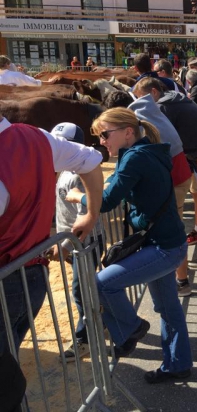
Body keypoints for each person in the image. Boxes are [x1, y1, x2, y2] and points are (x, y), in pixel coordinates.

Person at [66, 107, 192, 383]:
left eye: (105, 134)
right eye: (99, 136)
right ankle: (178, 364)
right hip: (167, 243)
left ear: (127, 133)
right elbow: (115, 186)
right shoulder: (143, 152)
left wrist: (78, 196)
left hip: (162, 248)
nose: (102, 141)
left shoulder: (135, 157)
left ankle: (131, 329)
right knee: (169, 309)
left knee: (101, 283)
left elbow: (107, 200)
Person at [0, 110, 103, 406]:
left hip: (8, 282)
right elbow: (93, 160)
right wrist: (91, 213)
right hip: (31, 274)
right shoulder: (35, 137)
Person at [130, 81, 194, 296]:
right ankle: (177, 276)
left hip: (175, 179)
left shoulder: (143, 119)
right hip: (181, 175)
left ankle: (181, 280)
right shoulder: (155, 112)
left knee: (173, 231)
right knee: (175, 227)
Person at [51, 123, 105, 362]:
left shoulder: (79, 173)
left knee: (81, 291)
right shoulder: (63, 168)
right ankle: (101, 325)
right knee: (86, 288)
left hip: (85, 241)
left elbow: (86, 213)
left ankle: (85, 339)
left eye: (63, 141)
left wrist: (64, 244)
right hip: (74, 241)